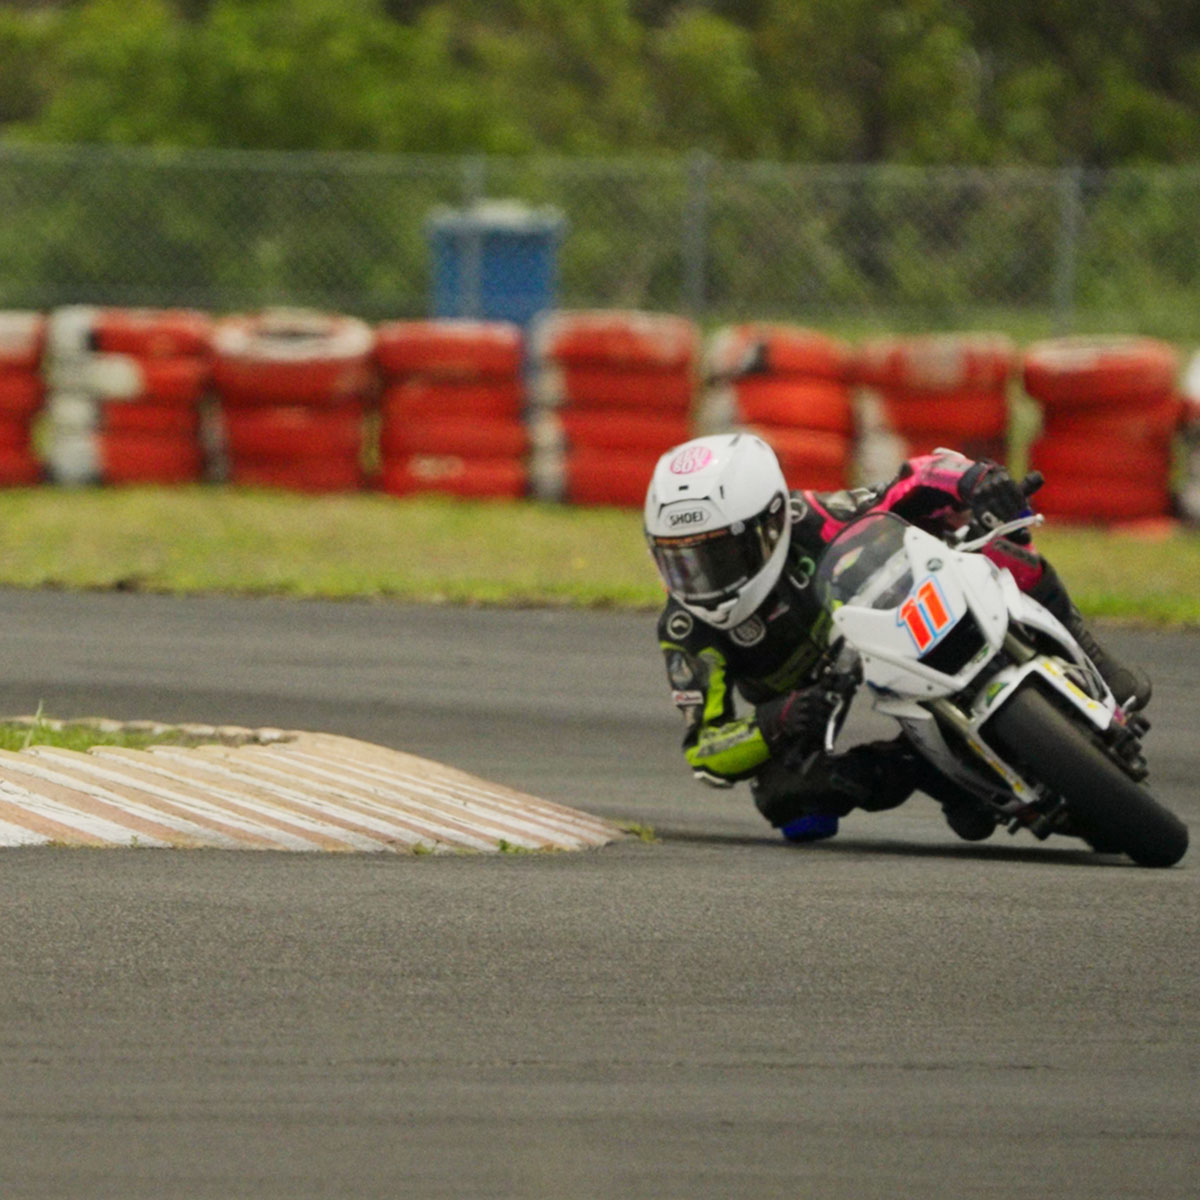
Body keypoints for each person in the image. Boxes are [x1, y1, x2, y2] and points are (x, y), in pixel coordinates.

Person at [644, 434, 1151, 843]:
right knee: (794, 806)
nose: (700, 578)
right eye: (679, 560)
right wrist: (776, 721)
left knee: (1005, 548)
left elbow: (912, 481)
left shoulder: (813, 518)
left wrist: (977, 480)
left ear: (771, 522)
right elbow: (705, 750)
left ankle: (1095, 659)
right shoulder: (687, 627)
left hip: (882, 618)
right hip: (804, 699)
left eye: (718, 556)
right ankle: (934, 774)